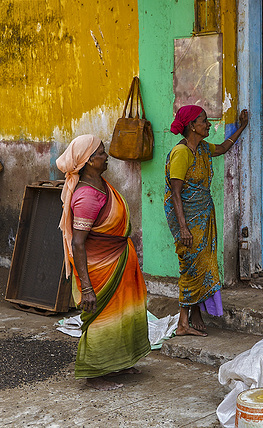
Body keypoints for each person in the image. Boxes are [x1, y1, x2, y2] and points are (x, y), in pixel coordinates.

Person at [56, 134, 150, 390]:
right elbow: (78, 242)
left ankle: (120, 362)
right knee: (102, 319)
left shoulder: (101, 185)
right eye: (100, 153)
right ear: (87, 161)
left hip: (119, 260)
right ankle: (95, 373)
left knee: (124, 313)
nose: (106, 156)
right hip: (102, 268)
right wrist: (86, 287)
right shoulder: (87, 196)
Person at [165, 105, 249, 337]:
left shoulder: (201, 148)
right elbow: (175, 193)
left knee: (204, 263)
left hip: (203, 215)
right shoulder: (182, 153)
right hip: (187, 219)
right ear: (192, 126)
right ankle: (183, 323)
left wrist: (241, 127)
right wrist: (183, 227)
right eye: (204, 120)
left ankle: (194, 313)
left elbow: (222, 148)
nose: (208, 124)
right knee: (191, 265)